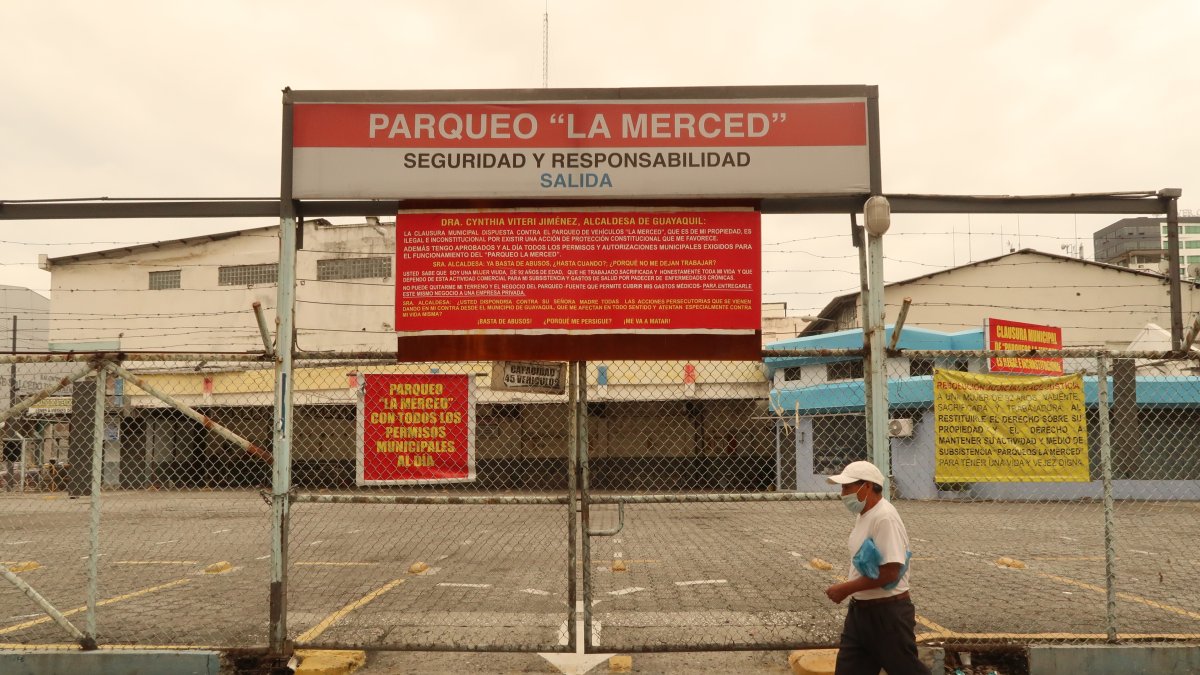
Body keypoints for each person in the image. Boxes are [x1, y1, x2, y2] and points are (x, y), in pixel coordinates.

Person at [824, 460, 929, 675]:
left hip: (887, 616)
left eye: (847, 487)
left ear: (868, 486)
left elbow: (891, 571)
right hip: (861, 614)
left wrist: (846, 588)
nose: (843, 494)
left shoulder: (885, 517)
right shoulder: (864, 515)